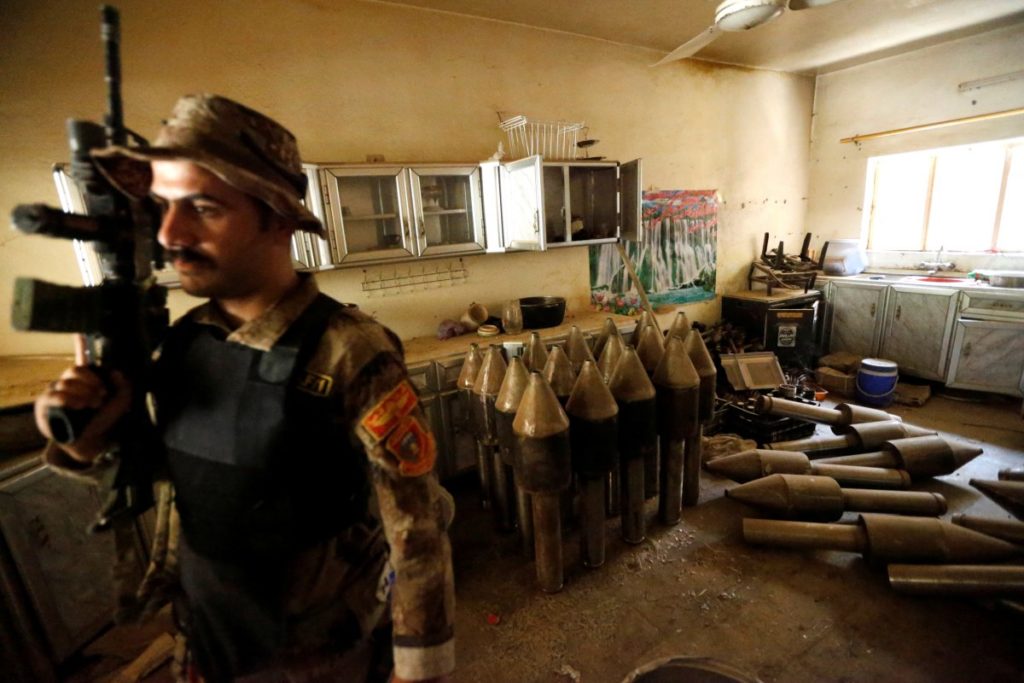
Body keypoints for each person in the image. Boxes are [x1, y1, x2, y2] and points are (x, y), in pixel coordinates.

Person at [33, 94, 454, 683]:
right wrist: (86, 440)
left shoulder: (349, 351)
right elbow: (187, 478)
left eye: (203, 208)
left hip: (321, 658)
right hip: (207, 640)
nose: (171, 233)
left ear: (278, 217)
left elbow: (417, 528)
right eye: (163, 206)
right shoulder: (186, 341)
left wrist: (419, 668)